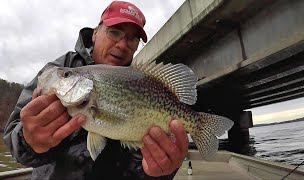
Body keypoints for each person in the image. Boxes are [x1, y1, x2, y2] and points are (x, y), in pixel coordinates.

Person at [3, 1, 189, 179]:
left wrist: (161, 171)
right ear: (95, 33)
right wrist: (27, 139)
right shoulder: (60, 70)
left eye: (132, 38)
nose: (123, 45)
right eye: (114, 32)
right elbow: (14, 138)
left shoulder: (144, 81)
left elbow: (143, 165)